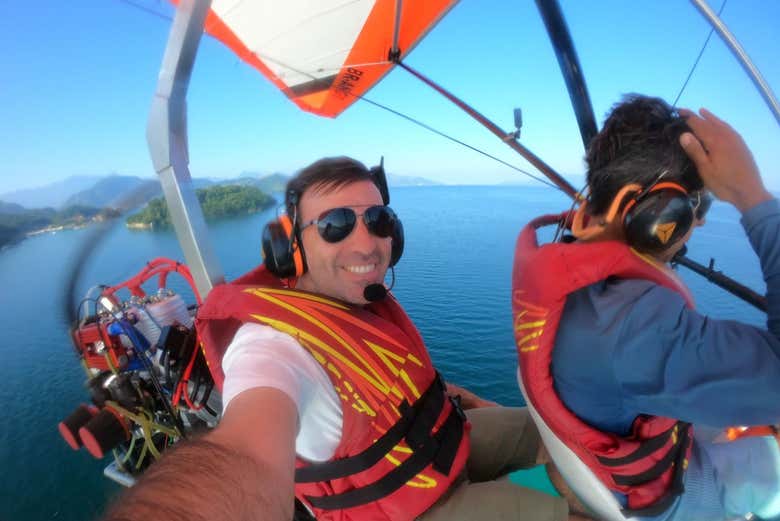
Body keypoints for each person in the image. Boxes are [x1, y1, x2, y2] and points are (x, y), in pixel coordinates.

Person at [103, 157, 583, 521]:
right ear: (290, 246)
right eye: (334, 225)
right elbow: (245, 454)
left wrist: (462, 399)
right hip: (411, 510)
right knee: (589, 510)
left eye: (377, 221)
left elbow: (390, 394)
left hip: (440, 441)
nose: (365, 244)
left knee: (558, 432)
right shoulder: (271, 347)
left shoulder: (352, 302)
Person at [512, 94, 780, 521]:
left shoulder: (563, 257)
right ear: (650, 212)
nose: (702, 221)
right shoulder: (635, 329)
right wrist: (753, 196)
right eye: (697, 205)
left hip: (615, 438)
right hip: (663, 497)